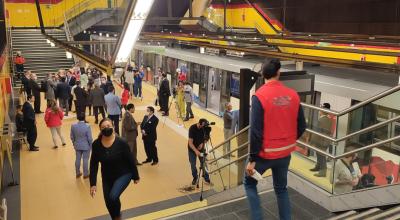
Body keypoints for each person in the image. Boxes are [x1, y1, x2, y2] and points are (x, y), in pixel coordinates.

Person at [244, 59, 306, 220]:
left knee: (249, 183)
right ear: (279, 73)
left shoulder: (259, 97)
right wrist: (288, 141)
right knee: (281, 189)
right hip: (285, 154)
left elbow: (256, 132)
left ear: (263, 75)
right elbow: (302, 126)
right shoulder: (293, 95)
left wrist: (252, 159)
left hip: (264, 155)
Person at [89, 118, 140, 220]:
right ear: (100, 130)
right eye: (103, 127)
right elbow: (93, 164)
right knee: (108, 201)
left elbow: (130, 160)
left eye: (108, 126)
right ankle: (115, 217)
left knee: (113, 196)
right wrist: (93, 184)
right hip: (107, 176)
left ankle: (117, 217)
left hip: (124, 174)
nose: (106, 129)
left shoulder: (121, 142)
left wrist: (135, 176)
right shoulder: (96, 144)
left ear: (113, 127)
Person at [310, 102, 334, 177]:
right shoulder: (328, 120)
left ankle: (323, 171)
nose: (319, 110)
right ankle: (318, 166)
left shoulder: (322, 120)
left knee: (321, 156)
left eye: (321, 108)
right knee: (319, 154)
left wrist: (312, 142)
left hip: (321, 141)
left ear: (323, 110)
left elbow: (317, 132)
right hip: (325, 140)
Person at [188, 119, 211, 185]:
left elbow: (206, 138)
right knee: (193, 164)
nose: (203, 128)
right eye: (202, 126)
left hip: (201, 149)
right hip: (192, 149)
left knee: (204, 163)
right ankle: (195, 177)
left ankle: (206, 177)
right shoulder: (192, 128)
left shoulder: (205, 128)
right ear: (199, 124)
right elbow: (190, 143)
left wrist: (202, 144)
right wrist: (196, 151)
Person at [71, 113, 93, 178]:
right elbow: (89, 138)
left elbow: (72, 136)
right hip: (86, 146)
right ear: (84, 117)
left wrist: (74, 143)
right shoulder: (87, 126)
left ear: (77, 117)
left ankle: (77, 172)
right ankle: (85, 174)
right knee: (85, 159)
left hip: (77, 145)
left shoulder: (73, 126)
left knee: (77, 159)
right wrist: (91, 146)